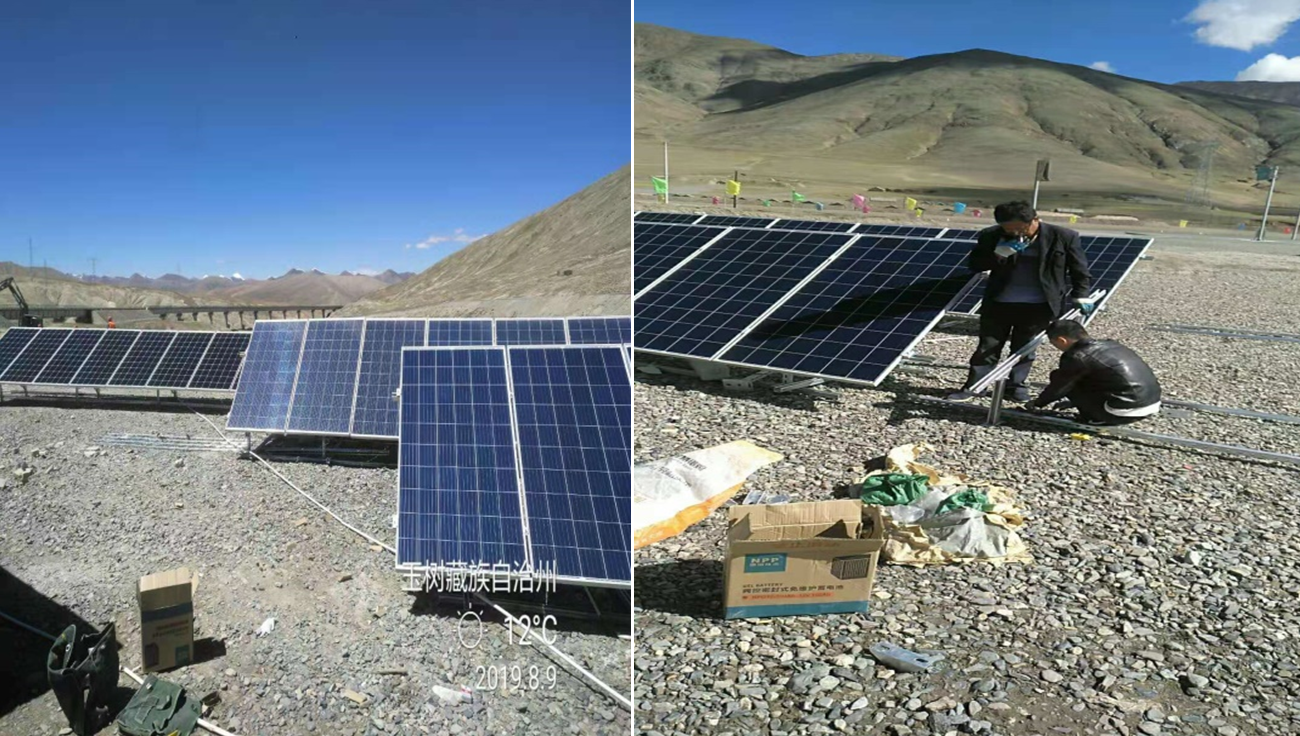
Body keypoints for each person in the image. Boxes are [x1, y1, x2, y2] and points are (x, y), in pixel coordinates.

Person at [947, 201, 1094, 403]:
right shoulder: (991, 235)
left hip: (1039, 304)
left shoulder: (1063, 236)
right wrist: (997, 255)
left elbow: (1079, 269)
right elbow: (975, 264)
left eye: (1020, 228)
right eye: (1008, 229)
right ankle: (974, 386)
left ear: (1035, 220)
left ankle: (1016, 386)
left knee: (1025, 347)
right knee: (988, 347)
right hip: (999, 302)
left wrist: (1081, 294)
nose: (1015, 233)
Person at [1029, 320, 1161, 425]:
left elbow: (1060, 387)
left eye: (1054, 344)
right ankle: (1094, 406)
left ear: (1062, 340)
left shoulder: (1077, 356)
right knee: (1088, 377)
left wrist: (1038, 403)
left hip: (1122, 412)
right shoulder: (1111, 344)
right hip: (1150, 403)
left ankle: (1095, 417)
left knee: (1060, 377)